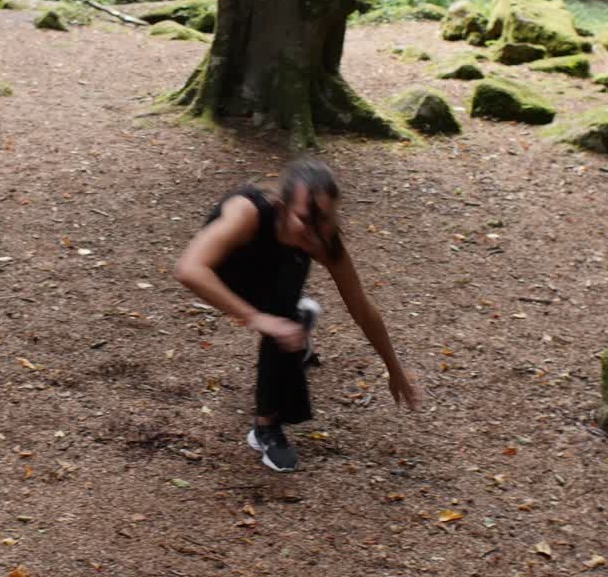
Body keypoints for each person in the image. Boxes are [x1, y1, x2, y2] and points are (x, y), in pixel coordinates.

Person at [174, 158, 423, 472]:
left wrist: (394, 368)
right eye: (305, 219)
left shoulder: (319, 238)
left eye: (325, 221)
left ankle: (266, 426)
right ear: (281, 208)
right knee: (275, 319)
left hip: (275, 274)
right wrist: (255, 317)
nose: (315, 234)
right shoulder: (246, 213)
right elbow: (189, 269)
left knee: (284, 321)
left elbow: (362, 310)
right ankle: (292, 327)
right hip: (225, 270)